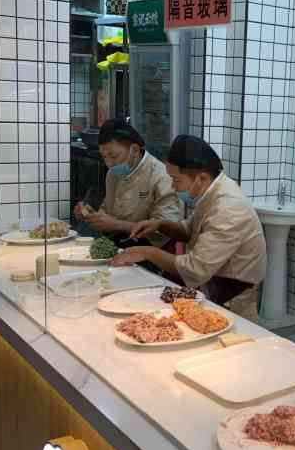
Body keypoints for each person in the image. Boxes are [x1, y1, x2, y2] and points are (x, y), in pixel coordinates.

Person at [109, 135, 267, 321]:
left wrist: (147, 252)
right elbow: (189, 230)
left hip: (232, 298)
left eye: (176, 180)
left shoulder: (228, 208)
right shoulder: (211, 191)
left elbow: (195, 268)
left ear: (201, 177)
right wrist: (160, 225)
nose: (174, 188)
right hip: (211, 287)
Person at [73, 120, 181, 248]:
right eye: (104, 157)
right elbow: (108, 211)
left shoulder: (161, 176)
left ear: (134, 150)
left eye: (113, 156)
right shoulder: (113, 174)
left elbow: (164, 232)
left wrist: (117, 225)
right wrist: (91, 215)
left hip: (150, 251)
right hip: (118, 244)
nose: (109, 163)